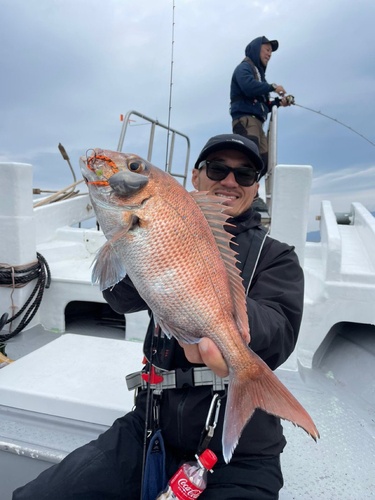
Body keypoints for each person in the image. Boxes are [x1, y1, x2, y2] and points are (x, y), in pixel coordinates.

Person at [13, 134, 304, 500]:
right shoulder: (169, 217)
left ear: (255, 187)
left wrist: (222, 320)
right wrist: (127, 240)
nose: (230, 181)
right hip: (149, 425)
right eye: (217, 169)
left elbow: (279, 335)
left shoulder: (276, 256)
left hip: (243, 452)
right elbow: (117, 299)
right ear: (196, 177)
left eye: (244, 174)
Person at [230, 36, 292, 211]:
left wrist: (279, 103)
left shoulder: (260, 76)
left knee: (262, 161)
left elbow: (264, 103)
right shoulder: (244, 68)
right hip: (246, 120)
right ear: (256, 49)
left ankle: (249, 195)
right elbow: (248, 87)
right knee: (248, 158)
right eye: (266, 49)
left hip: (257, 123)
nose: (269, 54)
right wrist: (273, 87)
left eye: (271, 51)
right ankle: (246, 198)